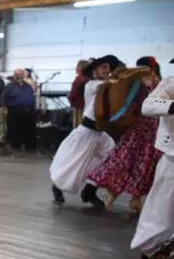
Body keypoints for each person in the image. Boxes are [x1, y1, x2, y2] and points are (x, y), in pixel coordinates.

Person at [88, 57, 162, 213]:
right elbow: (131, 103)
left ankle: (135, 199)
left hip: (150, 131)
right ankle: (114, 194)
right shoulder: (135, 82)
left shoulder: (156, 82)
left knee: (142, 165)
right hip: (138, 129)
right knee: (125, 162)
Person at [50, 54, 122, 206]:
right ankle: (57, 186)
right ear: (95, 70)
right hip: (87, 132)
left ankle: (90, 190)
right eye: (104, 68)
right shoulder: (93, 85)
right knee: (73, 163)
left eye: (108, 69)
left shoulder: (106, 85)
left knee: (110, 156)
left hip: (100, 133)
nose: (107, 71)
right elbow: (107, 86)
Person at [132, 57, 174, 259]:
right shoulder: (170, 83)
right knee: (160, 212)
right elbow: (148, 105)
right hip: (172, 160)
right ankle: (150, 249)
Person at [0, 68, 37, 151]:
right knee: (15, 130)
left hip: (28, 110)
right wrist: (5, 108)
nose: (20, 76)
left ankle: (29, 146)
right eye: (18, 75)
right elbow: (3, 97)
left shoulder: (27, 86)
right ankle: (15, 145)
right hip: (15, 110)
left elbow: (31, 96)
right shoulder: (10, 86)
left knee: (29, 129)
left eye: (21, 75)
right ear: (15, 76)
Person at [68, 59, 91, 128]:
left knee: (78, 128)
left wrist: (70, 98)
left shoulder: (80, 79)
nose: (75, 68)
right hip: (88, 107)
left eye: (77, 66)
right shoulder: (89, 78)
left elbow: (73, 94)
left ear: (81, 67)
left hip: (78, 107)